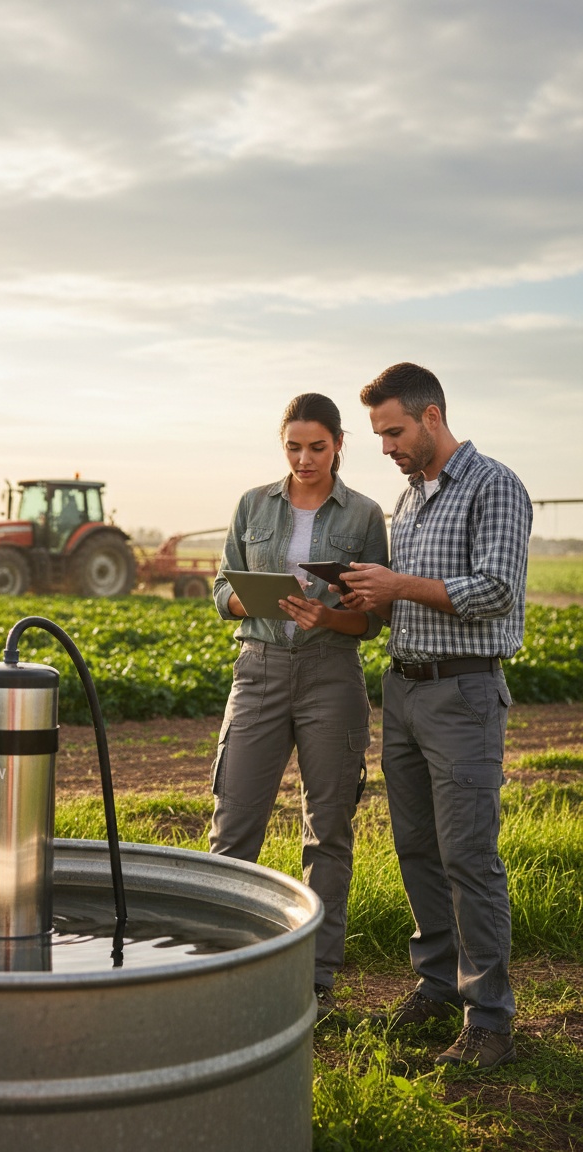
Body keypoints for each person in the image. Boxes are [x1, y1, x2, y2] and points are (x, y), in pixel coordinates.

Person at [340, 362, 532, 1068]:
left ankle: (490, 1021)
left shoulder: (494, 485)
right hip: (405, 689)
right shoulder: (410, 499)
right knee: (417, 848)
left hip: (463, 694)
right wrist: (358, 599)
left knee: (469, 856)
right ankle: (437, 986)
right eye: (379, 435)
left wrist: (398, 583)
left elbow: (494, 592)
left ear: (430, 417)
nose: (386, 446)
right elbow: (406, 601)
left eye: (392, 431)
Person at [209, 393, 388, 1020]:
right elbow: (221, 585)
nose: (305, 458)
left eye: (317, 446)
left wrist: (330, 617)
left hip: (330, 677)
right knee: (234, 826)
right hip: (256, 673)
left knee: (328, 831)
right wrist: (246, 602)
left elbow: (375, 617)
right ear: (281, 445)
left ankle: (314, 979)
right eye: (294, 446)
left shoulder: (365, 514)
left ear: (339, 444)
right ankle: (220, 962)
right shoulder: (252, 503)